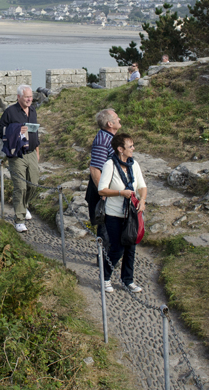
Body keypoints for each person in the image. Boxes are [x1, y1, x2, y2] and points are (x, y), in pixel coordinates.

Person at [97, 133, 147, 293]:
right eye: (130, 146)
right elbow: (102, 189)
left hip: (131, 214)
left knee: (131, 247)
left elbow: (142, 186)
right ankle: (105, 278)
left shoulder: (134, 165)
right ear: (120, 149)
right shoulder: (109, 165)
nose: (133, 149)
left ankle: (128, 280)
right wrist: (120, 193)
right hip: (113, 214)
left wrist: (143, 200)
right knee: (117, 248)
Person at [0, 84, 40, 233]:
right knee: (20, 186)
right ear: (18, 97)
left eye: (31, 97)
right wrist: (14, 129)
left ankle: (24, 206)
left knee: (33, 184)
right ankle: (19, 219)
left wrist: (37, 151)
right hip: (16, 154)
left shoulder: (33, 110)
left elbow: (35, 133)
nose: (29, 99)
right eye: (26, 97)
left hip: (32, 152)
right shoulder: (10, 112)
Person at [85, 108, 121, 228]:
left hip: (111, 191)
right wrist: (104, 194)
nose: (119, 119)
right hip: (104, 194)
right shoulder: (103, 140)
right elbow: (95, 169)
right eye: (116, 118)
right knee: (106, 232)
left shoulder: (109, 137)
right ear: (110, 124)